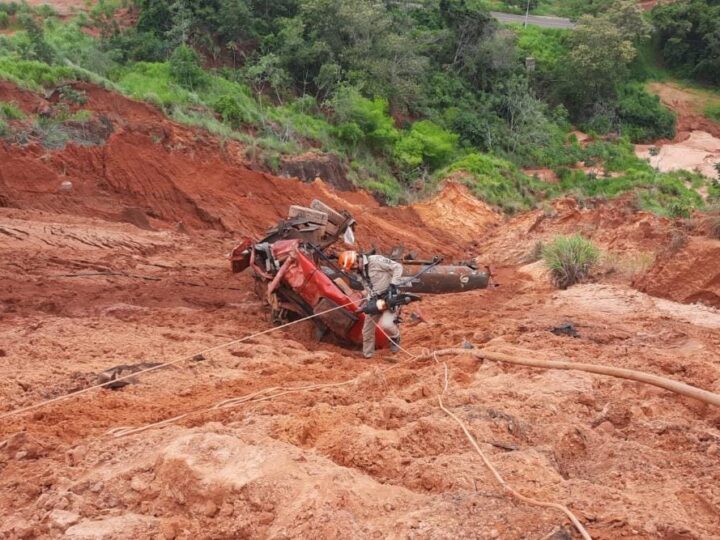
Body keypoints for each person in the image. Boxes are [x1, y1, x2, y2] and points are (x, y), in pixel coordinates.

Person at [338, 250, 403, 359]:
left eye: (352, 268)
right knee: (367, 330)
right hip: (375, 300)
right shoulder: (360, 272)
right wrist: (365, 303)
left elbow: (398, 267)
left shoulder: (376, 260)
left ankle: (396, 337)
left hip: (389, 297)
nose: (353, 271)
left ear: (356, 261)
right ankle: (368, 355)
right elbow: (369, 289)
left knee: (386, 325)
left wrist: (393, 284)